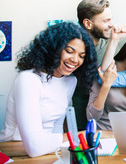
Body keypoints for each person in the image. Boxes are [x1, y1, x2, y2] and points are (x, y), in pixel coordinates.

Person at [0, 22, 97, 157]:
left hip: (49, 150)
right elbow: (34, 147)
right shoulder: (28, 79)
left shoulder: (70, 81)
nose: (75, 60)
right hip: (17, 151)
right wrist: (78, 136)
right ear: (53, 49)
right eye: (69, 51)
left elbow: (56, 129)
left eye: (81, 55)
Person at [74, 0, 126, 130]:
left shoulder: (116, 40)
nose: (111, 24)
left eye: (111, 19)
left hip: (104, 121)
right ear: (88, 24)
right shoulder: (74, 49)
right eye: (106, 21)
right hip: (78, 116)